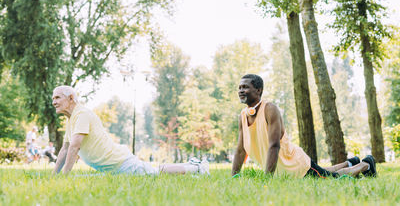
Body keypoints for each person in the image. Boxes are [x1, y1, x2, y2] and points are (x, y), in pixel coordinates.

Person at [232, 74, 377, 179]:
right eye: (239, 88)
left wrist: (267, 178)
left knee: (329, 178)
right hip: (284, 170)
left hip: (295, 164)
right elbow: (240, 150)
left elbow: (274, 145)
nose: (241, 91)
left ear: (258, 90)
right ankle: (351, 162)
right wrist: (234, 177)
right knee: (323, 171)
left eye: (245, 87)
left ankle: (365, 164)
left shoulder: (269, 109)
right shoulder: (243, 115)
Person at [52, 85, 209, 175]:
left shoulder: (82, 114)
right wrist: (55, 175)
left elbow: (74, 147)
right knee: (153, 171)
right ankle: (193, 165)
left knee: (155, 173)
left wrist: (64, 175)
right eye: (53, 98)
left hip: (119, 162)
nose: (54, 102)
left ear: (71, 98)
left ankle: (196, 167)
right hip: (112, 166)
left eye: (57, 98)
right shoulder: (73, 119)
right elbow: (65, 149)